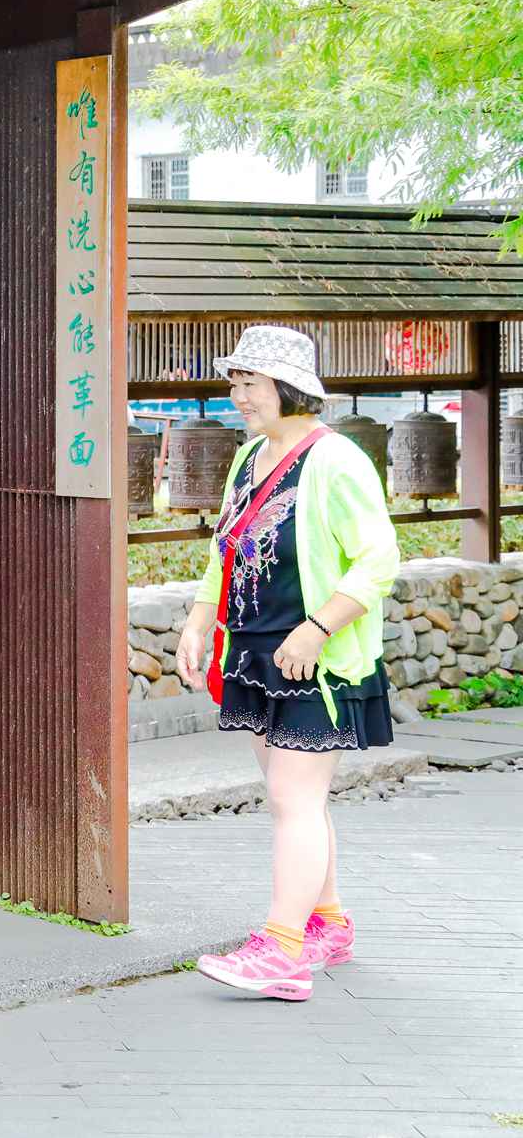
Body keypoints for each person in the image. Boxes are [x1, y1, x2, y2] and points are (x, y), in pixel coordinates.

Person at [178, 325, 400, 1003]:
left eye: (251, 381)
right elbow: (227, 547)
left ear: (289, 386)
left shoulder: (336, 459)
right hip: (257, 651)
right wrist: (197, 619)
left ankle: (281, 950)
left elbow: (379, 559)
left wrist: (316, 628)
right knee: (292, 794)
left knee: (292, 798)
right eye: (236, 380)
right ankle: (326, 922)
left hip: (318, 657)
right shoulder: (249, 456)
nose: (238, 393)